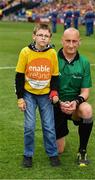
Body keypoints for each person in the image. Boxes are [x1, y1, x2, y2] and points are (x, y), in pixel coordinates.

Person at [15, 23, 60, 168]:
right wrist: (20, 98)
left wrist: (54, 92)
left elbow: (55, 76)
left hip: (46, 95)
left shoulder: (52, 53)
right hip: (29, 94)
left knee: (48, 126)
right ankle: (28, 155)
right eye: (40, 35)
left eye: (46, 36)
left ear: (50, 38)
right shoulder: (25, 52)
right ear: (34, 36)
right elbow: (19, 76)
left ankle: (53, 154)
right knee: (29, 126)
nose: (43, 38)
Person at [54, 27, 93, 167]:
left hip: (74, 106)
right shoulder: (52, 58)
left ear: (79, 42)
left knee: (87, 110)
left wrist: (76, 102)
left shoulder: (84, 62)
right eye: (68, 41)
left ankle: (82, 151)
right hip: (55, 104)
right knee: (59, 150)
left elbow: (85, 92)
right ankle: (59, 134)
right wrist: (59, 103)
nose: (71, 45)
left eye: (74, 41)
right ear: (62, 41)